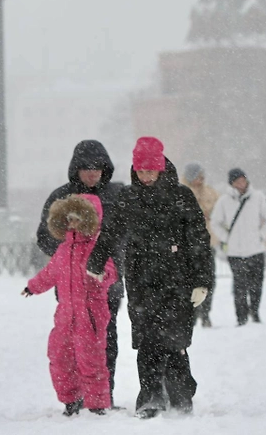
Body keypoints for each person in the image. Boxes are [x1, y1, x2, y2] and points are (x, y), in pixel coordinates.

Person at [86, 137, 214, 419]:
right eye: (141, 171)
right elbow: (110, 232)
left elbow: (198, 240)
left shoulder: (181, 196)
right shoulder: (128, 197)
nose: (145, 176)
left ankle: (181, 396)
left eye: (150, 171)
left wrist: (202, 281)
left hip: (177, 278)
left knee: (175, 341)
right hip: (141, 279)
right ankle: (151, 398)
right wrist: (96, 261)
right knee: (148, 342)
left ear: (160, 168)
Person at [36, 140, 123, 401]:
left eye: (97, 168)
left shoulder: (117, 196)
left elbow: (127, 234)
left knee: (105, 339)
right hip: (70, 287)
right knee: (69, 344)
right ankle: (76, 396)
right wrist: (71, 256)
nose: (92, 173)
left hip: (106, 283)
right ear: (76, 169)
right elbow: (45, 235)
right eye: (86, 168)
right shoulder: (61, 198)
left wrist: (112, 259)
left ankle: (103, 395)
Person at [23, 195, 118, 416]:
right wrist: (33, 287)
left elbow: (111, 271)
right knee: (60, 356)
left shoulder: (97, 248)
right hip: (65, 314)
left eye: (78, 219)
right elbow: (49, 274)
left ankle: (96, 404)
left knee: (91, 359)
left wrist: (102, 275)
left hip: (90, 313)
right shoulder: (63, 250)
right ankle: (71, 399)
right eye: (69, 220)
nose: (73, 224)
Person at [210, 167, 266, 325]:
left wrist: (261, 235)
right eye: (237, 181)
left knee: (256, 284)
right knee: (239, 286)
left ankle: (255, 311)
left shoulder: (258, 197)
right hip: (235, 252)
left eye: (243, 180)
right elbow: (215, 222)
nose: (241, 183)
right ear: (231, 183)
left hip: (256, 249)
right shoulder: (224, 201)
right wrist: (227, 238)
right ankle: (241, 316)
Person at [181, 163, 219, 326]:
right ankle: (191, 312)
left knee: (208, 279)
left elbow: (220, 212)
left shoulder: (211, 192)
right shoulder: (180, 192)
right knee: (187, 280)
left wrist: (210, 215)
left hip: (207, 242)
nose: (201, 179)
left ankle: (205, 313)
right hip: (186, 244)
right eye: (197, 176)